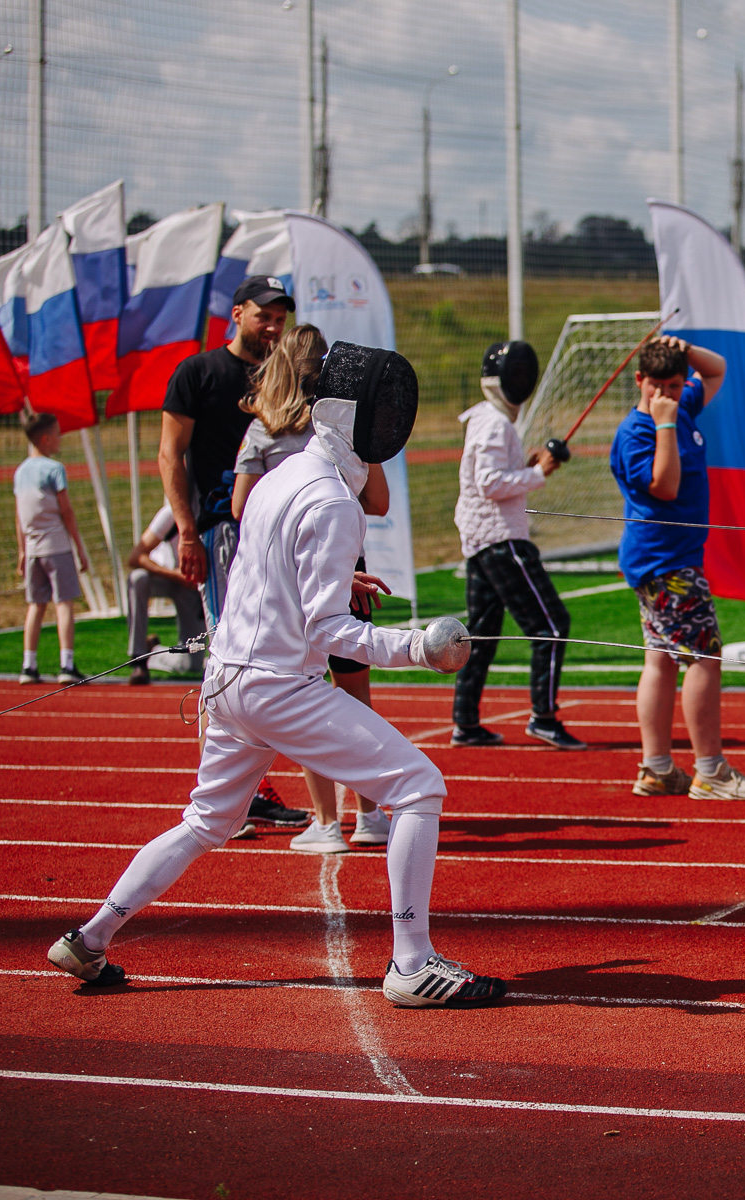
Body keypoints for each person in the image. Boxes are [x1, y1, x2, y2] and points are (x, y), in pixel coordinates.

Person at [46, 342, 509, 1008]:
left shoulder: (283, 476)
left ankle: (89, 938)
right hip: (275, 686)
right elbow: (329, 634)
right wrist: (420, 649)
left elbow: (266, 569)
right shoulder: (332, 504)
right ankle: (411, 964)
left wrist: (334, 575)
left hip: (227, 680)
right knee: (418, 786)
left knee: (205, 823)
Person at [229, 324, 392, 853]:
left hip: (290, 582)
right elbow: (379, 502)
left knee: (305, 696)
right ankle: (370, 815)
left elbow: (240, 508)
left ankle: (326, 823)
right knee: (357, 698)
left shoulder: (262, 431)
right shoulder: (344, 433)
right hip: (348, 572)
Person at [159, 273, 307, 829]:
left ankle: (245, 791)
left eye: (280, 316)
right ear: (238, 313)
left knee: (274, 655)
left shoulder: (286, 376)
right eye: (263, 314)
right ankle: (233, 793)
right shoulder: (198, 373)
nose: (273, 325)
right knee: (230, 652)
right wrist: (186, 531)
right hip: (224, 529)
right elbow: (170, 454)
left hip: (277, 532)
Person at [610, 335, 745, 801]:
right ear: (639, 381)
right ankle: (710, 770)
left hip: (669, 560)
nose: (667, 395)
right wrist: (664, 424)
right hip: (665, 565)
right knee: (704, 657)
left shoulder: (683, 403)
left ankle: (658, 769)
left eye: (676, 386)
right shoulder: (640, 431)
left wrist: (686, 349)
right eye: (657, 385)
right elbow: (665, 486)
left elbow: (717, 370)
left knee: (660, 658)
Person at [450, 340, 585, 752]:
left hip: (481, 540)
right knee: (552, 625)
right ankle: (543, 718)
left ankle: (466, 724)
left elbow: (490, 476)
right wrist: (539, 473)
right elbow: (490, 485)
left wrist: (527, 466)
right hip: (501, 540)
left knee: (483, 634)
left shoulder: (485, 418)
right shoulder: (494, 423)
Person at [14, 411, 90, 685]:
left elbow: (19, 516)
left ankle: (29, 664)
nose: (60, 439)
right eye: (57, 434)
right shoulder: (54, 469)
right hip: (56, 546)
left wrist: (22, 550)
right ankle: (66, 663)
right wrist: (79, 547)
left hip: (33, 549)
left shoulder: (20, 472)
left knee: (35, 605)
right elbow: (66, 511)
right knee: (64, 604)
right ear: (45, 439)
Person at [125, 503, 206, 686]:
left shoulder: (213, 510)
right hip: (164, 575)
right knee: (138, 579)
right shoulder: (171, 512)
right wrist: (175, 574)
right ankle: (138, 659)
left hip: (190, 585)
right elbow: (135, 556)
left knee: (190, 664)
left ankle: (153, 651)